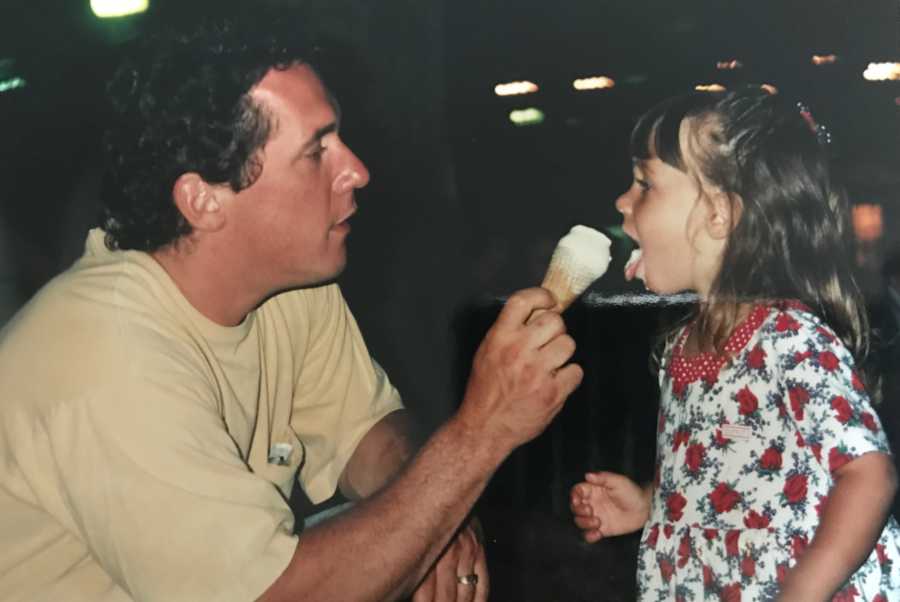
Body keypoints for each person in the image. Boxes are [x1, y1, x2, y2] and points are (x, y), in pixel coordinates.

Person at [0, 16, 584, 602]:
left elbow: (371, 437)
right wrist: (479, 435)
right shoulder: (102, 360)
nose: (357, 169)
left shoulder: (289, 285)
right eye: (316, 150)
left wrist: (443, 519)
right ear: (202, 199)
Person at [569, 87, 900, 600]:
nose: (621, 201)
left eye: (644, 183)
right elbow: (727, 480)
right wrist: (650, 501)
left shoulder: (789, 339)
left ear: (719, 214)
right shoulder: (680, 349)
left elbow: (868, 475)